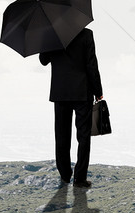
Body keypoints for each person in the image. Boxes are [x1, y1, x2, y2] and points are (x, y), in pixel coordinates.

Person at [39, 27, 103, 188]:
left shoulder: (51, 33)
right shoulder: (87, 34)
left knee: (61, 135)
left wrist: (46, 40)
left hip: (60, 92)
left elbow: (43, 60)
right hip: (82, 92)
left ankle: (65, 175)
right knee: (83, 136)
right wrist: (98, 91)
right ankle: (79, 178)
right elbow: (91, 64)